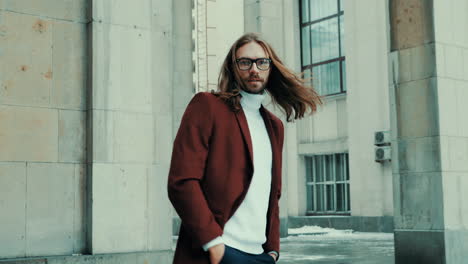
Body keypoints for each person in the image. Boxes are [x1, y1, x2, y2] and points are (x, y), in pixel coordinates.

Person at [167, 32, 322, 264]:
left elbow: (273, 194)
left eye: (262, 62)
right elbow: (182, 181)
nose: (254, 69)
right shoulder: (208, 106)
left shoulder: (274, 126)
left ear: (271, 68)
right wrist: (213, 243)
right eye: (245, 62)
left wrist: (272, 250)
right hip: (219, 252)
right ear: (233, 67)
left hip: (260, 255)